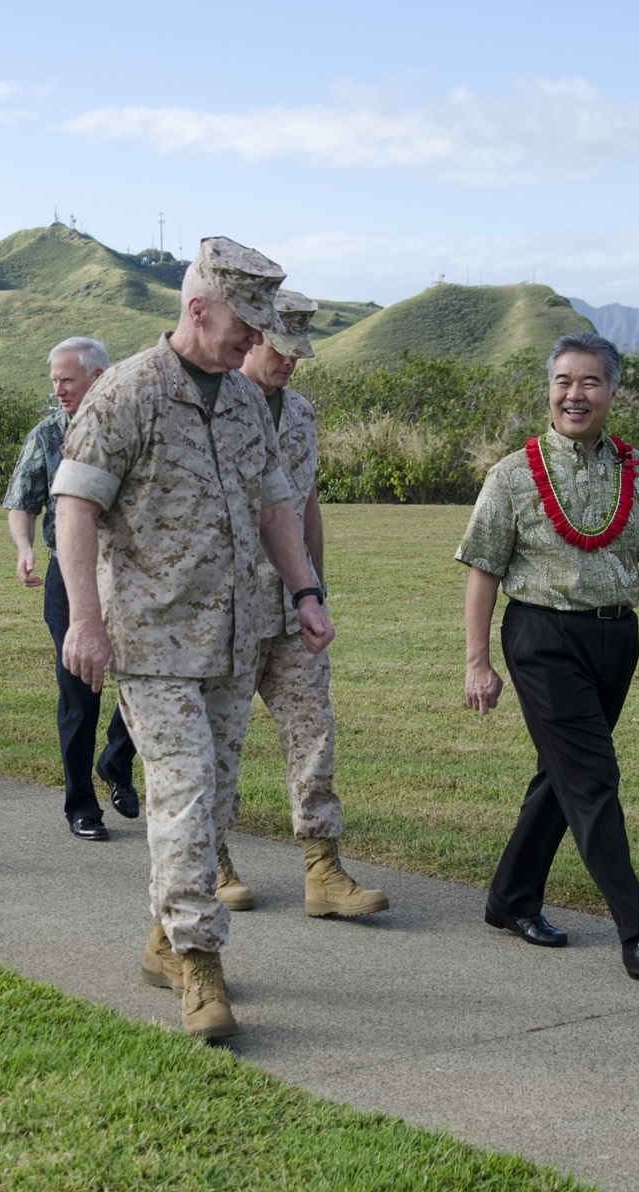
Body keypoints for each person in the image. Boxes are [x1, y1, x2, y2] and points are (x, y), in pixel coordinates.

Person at [54, 237, 335, 1040]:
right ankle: (200, 965)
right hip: (152, 640)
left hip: (234, 637)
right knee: (182, 787)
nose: (257, 340)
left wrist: (305, 590)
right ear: (197, 307)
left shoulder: (246, 402)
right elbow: (74, 506)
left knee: (214, 794)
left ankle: (161, 936)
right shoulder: (127, 394)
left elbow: (276, 503)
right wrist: (84, 618)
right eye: (244, 324)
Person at [458, 331, 639, 981]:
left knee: (563, 776)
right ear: (549, 390)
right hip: (541, 638)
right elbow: (482, 569)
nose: (575, 393)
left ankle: (510, 898)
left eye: (590, 381)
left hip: (615, 638)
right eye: (563, 380)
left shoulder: (638, 469)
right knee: (593, 779)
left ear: (613, 392)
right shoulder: (513, 473)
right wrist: (477, 662)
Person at [216, 289, 389, 919]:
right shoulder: (211, 408)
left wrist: (314, 588)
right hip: (225, 613)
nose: (292, 362)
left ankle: (323, 869)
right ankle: (210, 858)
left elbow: (304, 502)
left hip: (290, 607)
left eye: (299, 352)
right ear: (251, 337)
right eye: (281, 349)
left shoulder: (301, 415)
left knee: (313, 730)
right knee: (216, 742)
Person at [3, 336, 139, 841]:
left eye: (68, 379)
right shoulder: (46, 434)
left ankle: (117, 763)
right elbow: (22, 500)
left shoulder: (134, 427)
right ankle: (82, 805)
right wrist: (24, 547)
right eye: (54, 380)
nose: (58, 389)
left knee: (144, 680)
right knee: (78, 693)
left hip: (129, 576)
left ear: (99, 377)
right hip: (71, 573)